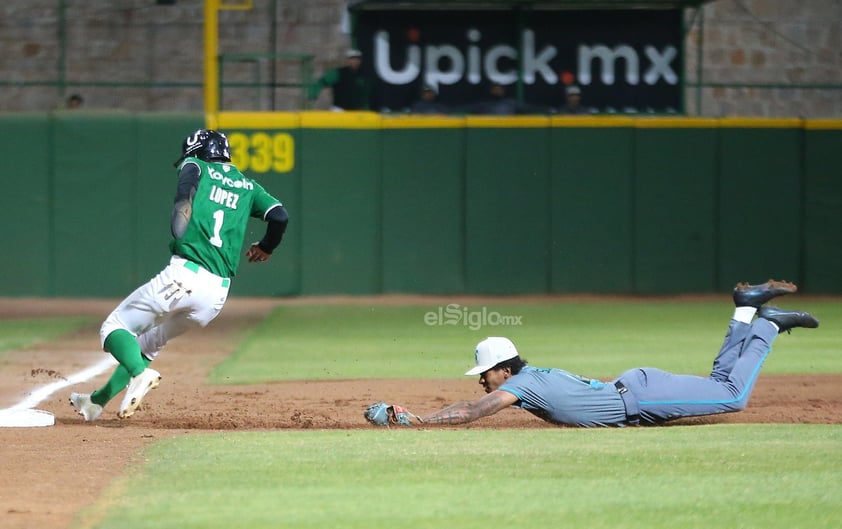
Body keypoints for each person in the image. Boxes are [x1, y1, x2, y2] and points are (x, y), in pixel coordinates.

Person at [69, 129, 289, 421]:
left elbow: (185, 192)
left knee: (113, 326)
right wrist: (266, 246)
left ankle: (139, 374)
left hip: (185, 274)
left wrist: (181, 212)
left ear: (198, 151)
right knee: (149, 343)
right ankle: (96, 403)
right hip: (215, 295)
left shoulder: (196, 165)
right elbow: (279, 216)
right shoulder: (248, 186)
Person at [422, 280, 819, 427]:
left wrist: (417, 422)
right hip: (638, 389)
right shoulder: (529, 379)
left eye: (486, 373)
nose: (482, 380)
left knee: (731, 395)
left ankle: (766, 325)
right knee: (718, 383)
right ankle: (746, 309)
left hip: (643, 397)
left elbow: (473, 412)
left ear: (504, 371)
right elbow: (473, 402)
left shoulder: (522, 386)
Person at [463, 82, 541, 115]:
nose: (498, 91)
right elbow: (465, 109)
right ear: (491, 91)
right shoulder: (484, 105)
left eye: (500, 89)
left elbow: (529, 109)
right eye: (495, 89)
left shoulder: (511, 103)